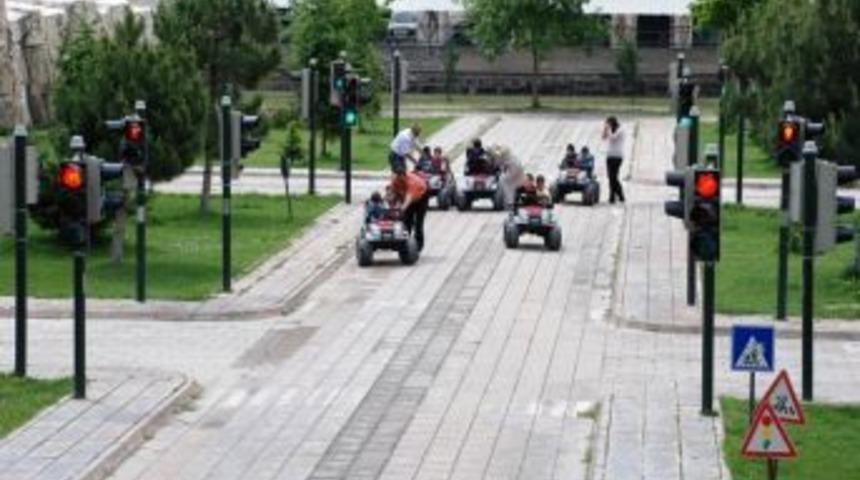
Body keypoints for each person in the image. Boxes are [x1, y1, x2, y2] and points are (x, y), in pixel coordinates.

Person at [390, 165, 429, 251]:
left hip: (421, 198)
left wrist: (401, 210)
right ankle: (404, 243)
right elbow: (392, 193)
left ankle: (418, 246)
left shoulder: (413, 182)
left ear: (403, 176)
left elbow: (408, 199)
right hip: (408, 197)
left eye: (398, 178)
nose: (396, 180)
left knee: (418, 223)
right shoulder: (395, 180)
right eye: (395, 178)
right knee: (407, 222)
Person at [602, 116, 625, 203]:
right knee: (610, 177)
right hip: (609, 156)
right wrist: (605, 129)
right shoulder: (610, 130)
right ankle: (615, 195)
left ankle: (618, 195)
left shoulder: (620, 130)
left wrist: (608, 129)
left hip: (618, 156)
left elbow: (613, 138)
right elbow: (603, 138)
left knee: (613, 177)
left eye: (608, 123)